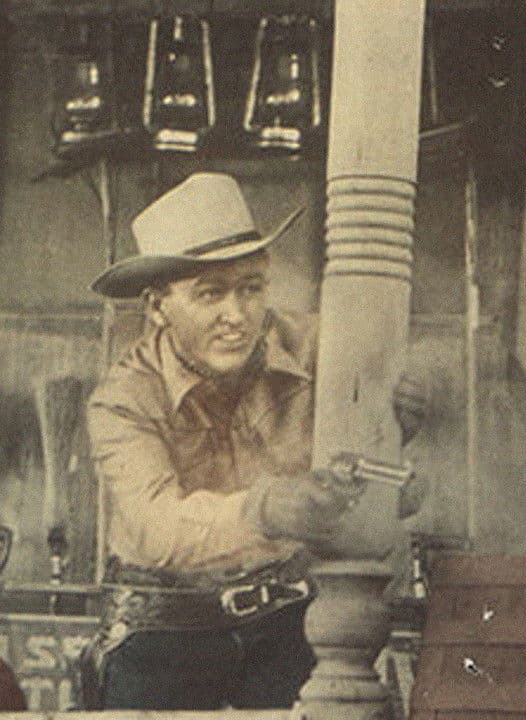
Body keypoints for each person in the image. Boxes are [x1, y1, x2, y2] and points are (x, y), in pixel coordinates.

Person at [80, 172, 369, 710]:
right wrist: (264, 508)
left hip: (288, 624)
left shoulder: (314, 345)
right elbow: (159, 529)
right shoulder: (122, 399)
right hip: (163, 635)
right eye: (210, 293)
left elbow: (400, 372)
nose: (236, 316)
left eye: (251, 288)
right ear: (158, 307)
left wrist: (403, 403)